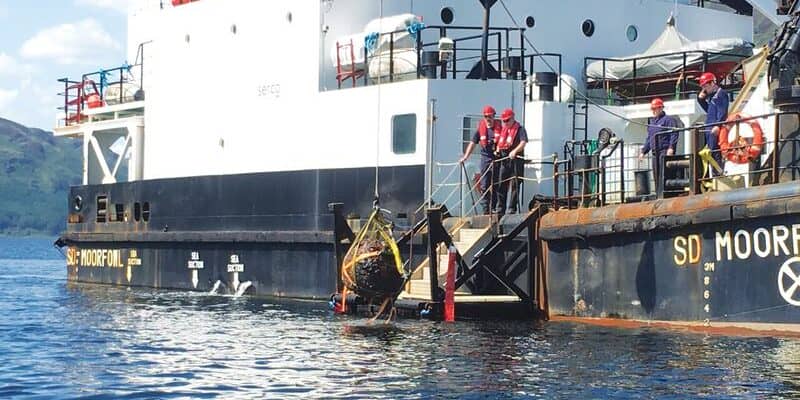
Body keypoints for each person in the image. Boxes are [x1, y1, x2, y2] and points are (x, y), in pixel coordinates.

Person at [459, 105, 502, 214]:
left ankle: (495, 208)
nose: (488, 119)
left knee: (497, 184)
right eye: (486, 116)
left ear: (494, 116)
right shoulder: (480, 130)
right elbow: (473, 143)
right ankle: (486, 210)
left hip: (497, 160)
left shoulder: (499, 129)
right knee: (484, 185)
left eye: (490, 116)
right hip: (485, 159)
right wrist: (465, 156)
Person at [639, 98, 680, 195]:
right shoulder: (652, 123)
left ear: (661, 108)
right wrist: (643, 151)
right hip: (655, 153)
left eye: (655, 108)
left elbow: (674, 134)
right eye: (652, 109)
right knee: (657, 175)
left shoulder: (669, 120)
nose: (653, 111)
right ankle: (659, 194)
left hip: (664, 151)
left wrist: (671, 148)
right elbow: (649, 138)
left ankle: (669, 194)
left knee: (666, 174)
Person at [495, 108, 528, 215]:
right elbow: (500, 143)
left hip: (516, 161)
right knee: (501, 184)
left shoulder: (520, 129)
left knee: (515, 185)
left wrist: (515, 151)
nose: (505, 123)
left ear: (513, 118)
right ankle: (500, 209)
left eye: (507, 120)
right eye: (504, 121)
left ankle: (511, 209)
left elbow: (523, 142)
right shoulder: (504, 130)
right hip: (505, 161)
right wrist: (497, 150)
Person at [697, 72, 728, 172]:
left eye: (705, 86)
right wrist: (701, 100)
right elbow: (709, 110)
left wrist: (718, 125)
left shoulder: (721, 94)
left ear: (712, 83)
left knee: (716, 153)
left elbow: (722, 111)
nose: (704, 89)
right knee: (711, 153)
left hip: (714, 128)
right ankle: (714, 177)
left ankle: (718, 176)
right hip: (709, 128)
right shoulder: (711, 96)